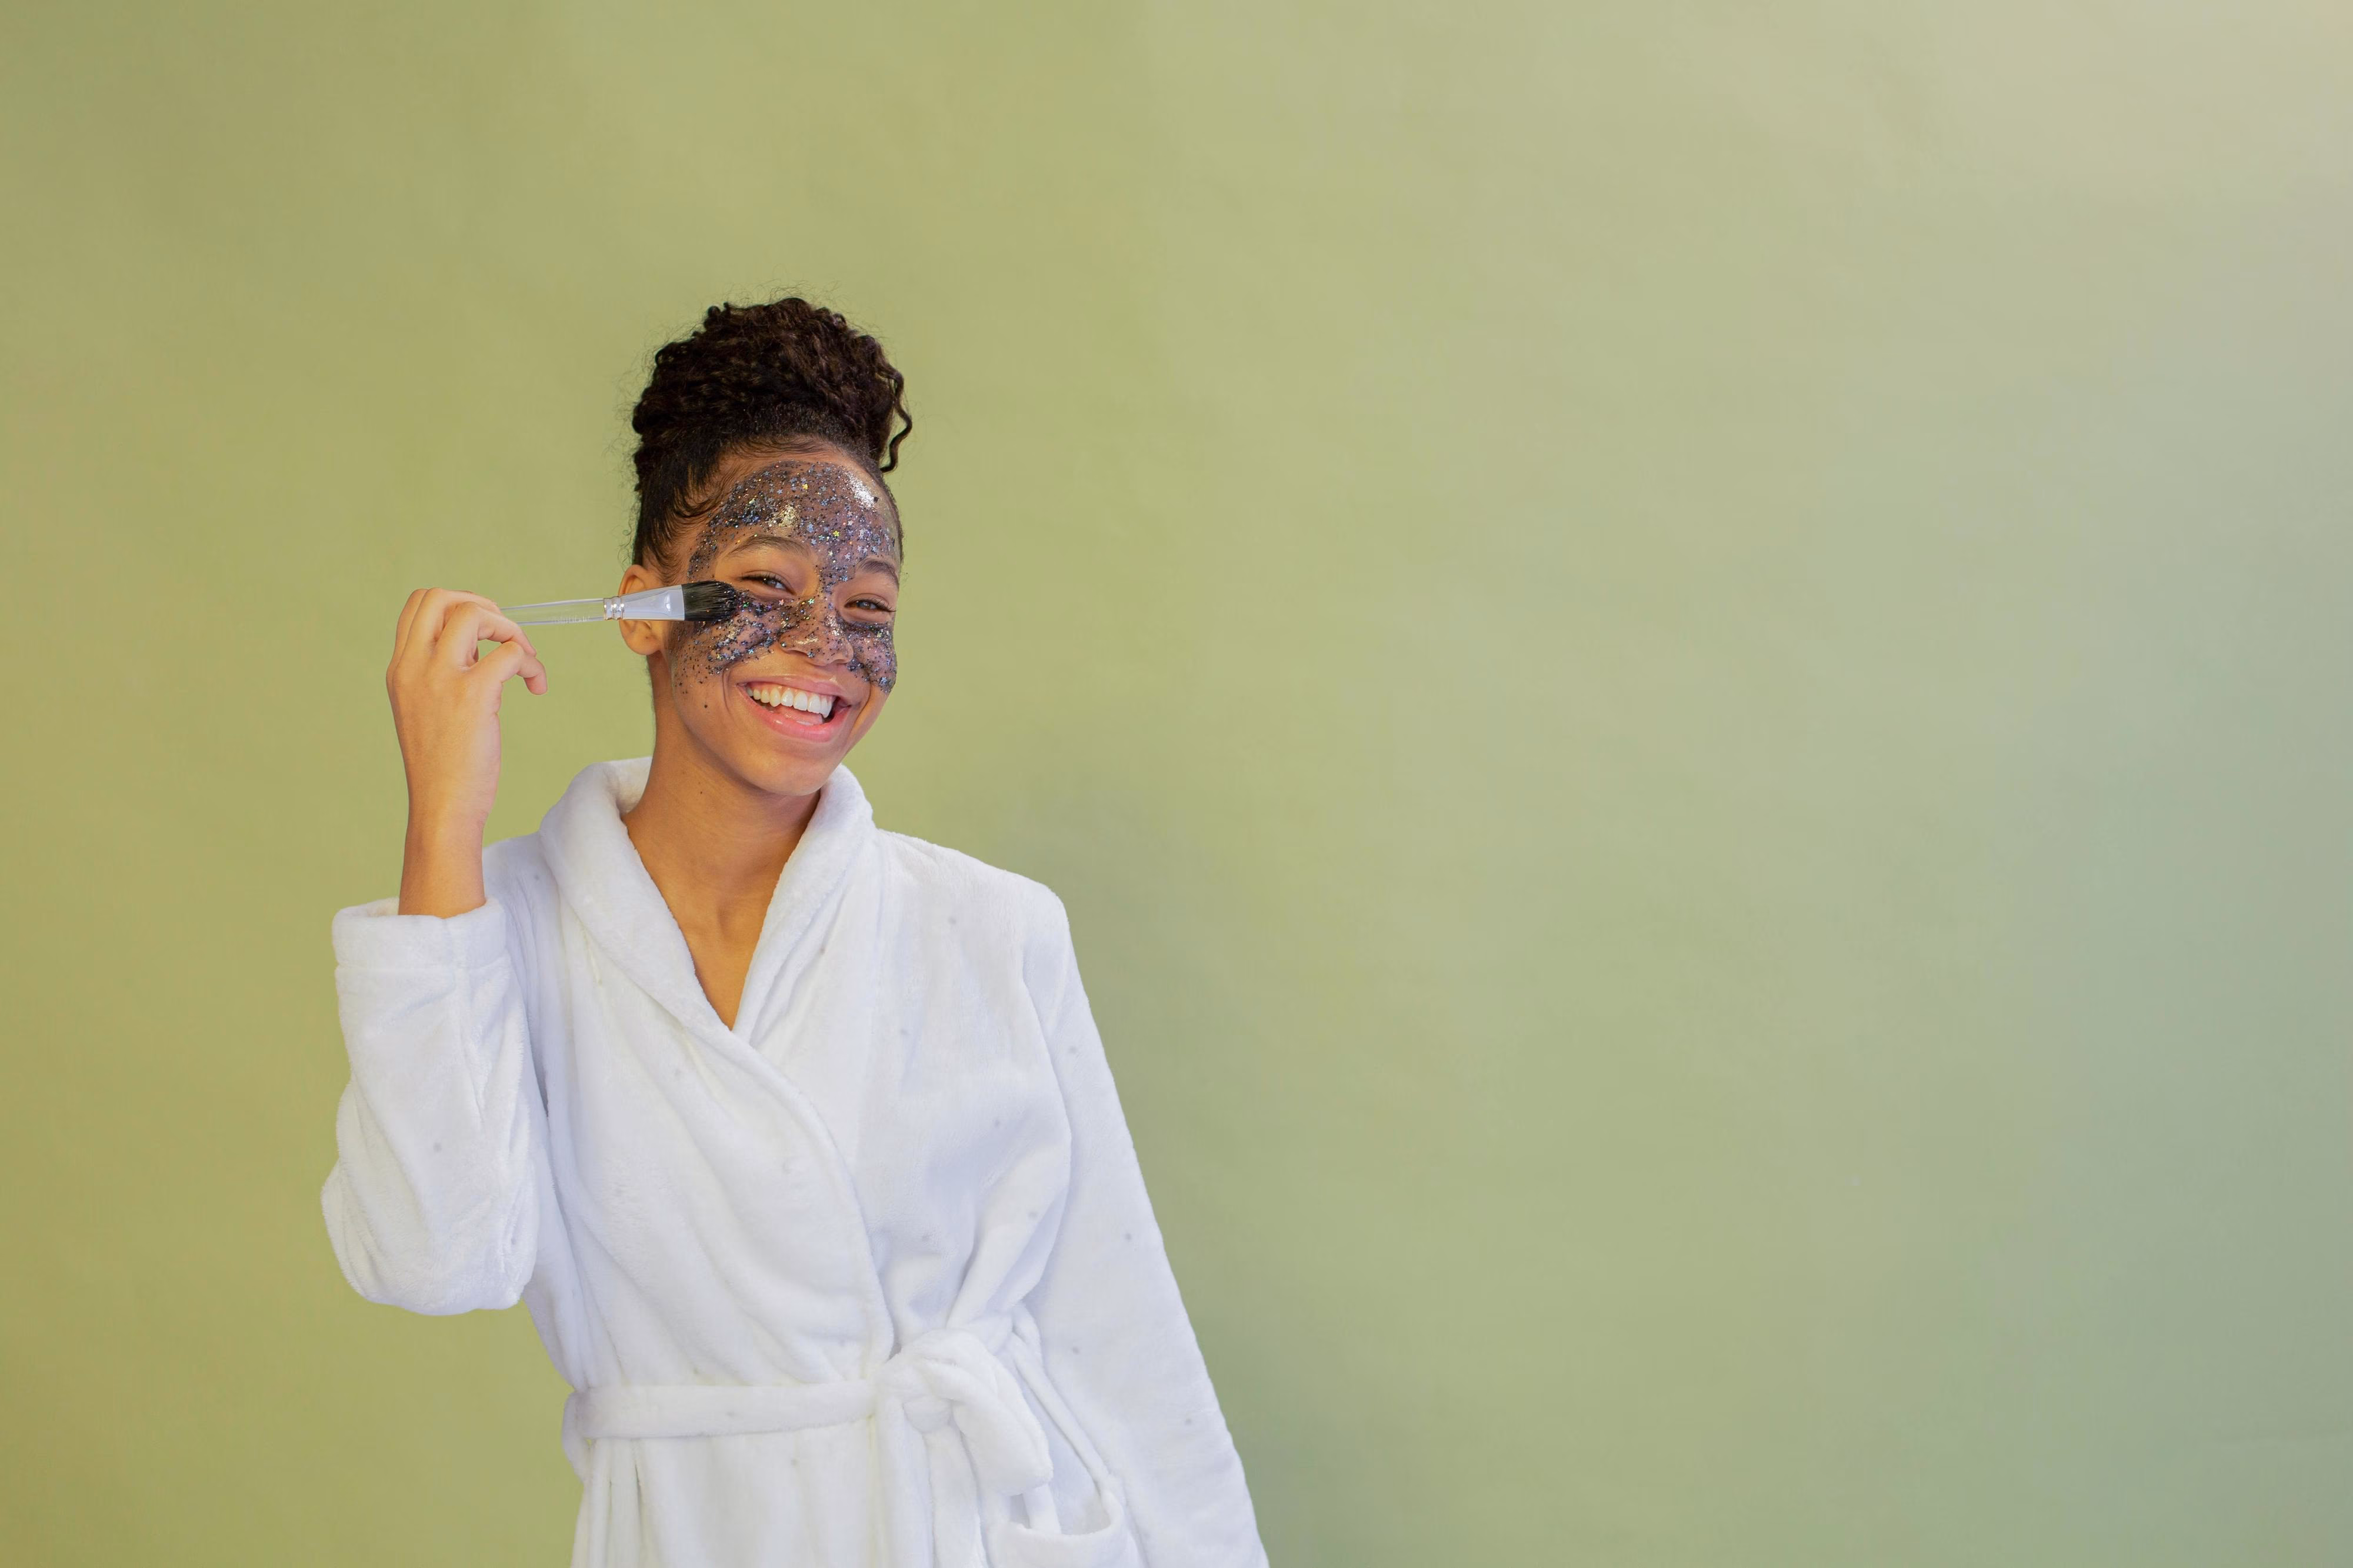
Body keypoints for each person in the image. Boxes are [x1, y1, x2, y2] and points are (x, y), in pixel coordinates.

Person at [321, 298, 1267, 1568]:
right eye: (767, 586)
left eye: (868, 605)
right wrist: (444, 816)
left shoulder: (989, 930)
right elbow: (437, 1258)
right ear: (643, 610)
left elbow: (1126, 1340)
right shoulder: (504, 932)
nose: (825, 645)